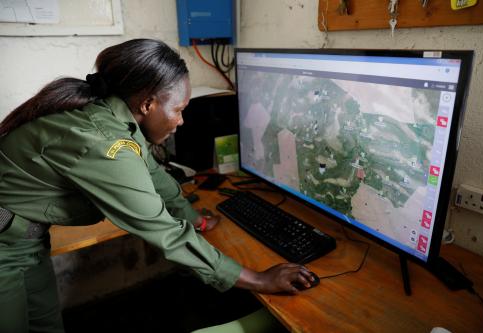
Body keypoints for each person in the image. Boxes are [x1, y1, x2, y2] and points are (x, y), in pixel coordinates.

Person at [0, 39, 316, 332]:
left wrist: (196, 219)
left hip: (26, 241)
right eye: (178, 110)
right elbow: (164, 232)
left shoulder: (117, 116)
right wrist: (258, 279)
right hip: (4, 246)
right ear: (149, 103)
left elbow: (155, 176)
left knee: (45, 326)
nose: (181, 121)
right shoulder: (104, 141)